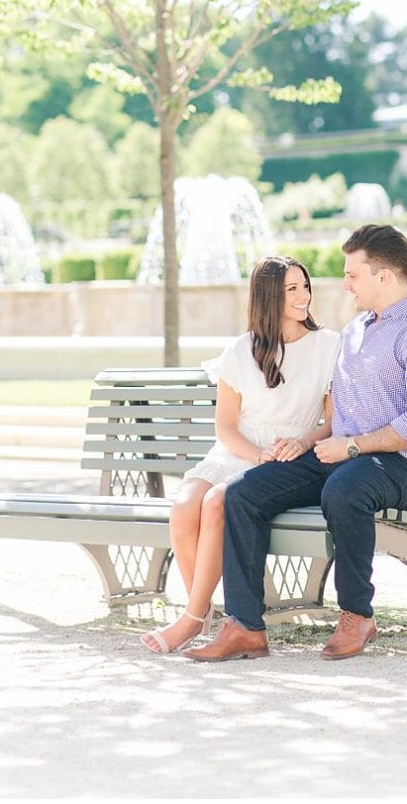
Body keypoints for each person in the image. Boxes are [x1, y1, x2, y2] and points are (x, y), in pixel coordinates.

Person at [185, 223, 407, 662]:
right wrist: (316, 442)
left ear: (383, 277)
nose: (345, 283)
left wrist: (351, 447)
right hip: (337, 458)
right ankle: (245, 626)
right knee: (240, 494)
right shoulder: (355, 331)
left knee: (345, 488)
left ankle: (356, 615)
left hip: (400, 467)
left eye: (353, 274)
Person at [140, 255, 338, 654]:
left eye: (305, 286)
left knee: (216, 505)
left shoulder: (328, 346)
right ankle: (204, 613)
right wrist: (255, 453)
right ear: (268, 297)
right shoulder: (240, 349)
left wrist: (299, 444)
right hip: (239, 450)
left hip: (290, 457)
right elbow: (225, 427)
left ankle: (191, 620)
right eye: (292, 289)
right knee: (182, 509)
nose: (304, 296)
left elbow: (331, 423)